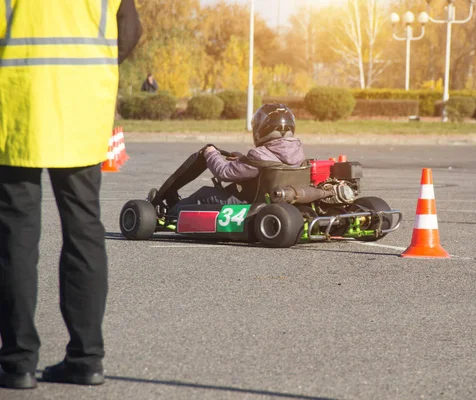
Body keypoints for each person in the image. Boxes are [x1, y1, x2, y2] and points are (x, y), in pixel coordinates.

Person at [0, 0, 142, 390]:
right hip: (83, 107)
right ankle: (86, 359)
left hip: (16, 106)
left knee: (16, 236)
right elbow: (129, 31)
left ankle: (17, 363)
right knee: (84, 230)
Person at [150, 103, 306, 214]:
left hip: (248, 205)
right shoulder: (298, 153)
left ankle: (168, 213)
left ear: (262, 129)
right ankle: (174, 205)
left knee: (204, 194)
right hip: (278, 202)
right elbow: (266, 164)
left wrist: (211, 153)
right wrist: (242, 159)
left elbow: (223, 172)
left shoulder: (258, 156)